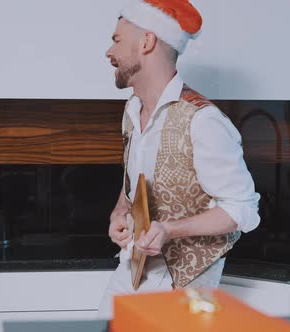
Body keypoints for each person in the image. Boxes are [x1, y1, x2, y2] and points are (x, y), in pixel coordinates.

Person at [97, 0, 261, 318]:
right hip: (132, 268)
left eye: (117, 40)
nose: (108, 51)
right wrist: (120, 213)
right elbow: (134, 183)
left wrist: (169, 230)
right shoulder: (132, 111)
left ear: (147, 42)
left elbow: (242, 208)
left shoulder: (204, 121)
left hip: (184, 283)